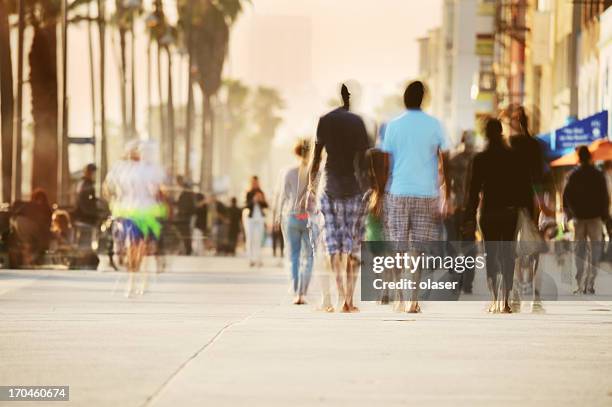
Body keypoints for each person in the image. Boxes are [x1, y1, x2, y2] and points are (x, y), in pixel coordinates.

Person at [381, 81, 452, 313]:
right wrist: (446, 193)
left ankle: (401, 298)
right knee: (417, 250)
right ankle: (413, 299)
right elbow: (446, 160)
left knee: (400, 249)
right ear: (423, 98)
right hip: (426, 193)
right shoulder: (434, 124)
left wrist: (382, 191)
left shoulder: (393, 125)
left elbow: (385, 162)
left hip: (398, 192)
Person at [308, 83, 370, 313]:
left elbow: (316, 158)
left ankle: (340, 297)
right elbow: (364, 162)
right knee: (353, 247)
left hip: (330, 188)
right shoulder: (358, 122)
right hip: (354, 189)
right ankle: (349, 301)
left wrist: (309, 189)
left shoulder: (324, 120)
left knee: (333, 246)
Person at [464, 118, 528, 313]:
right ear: (501, 132)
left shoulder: (481, 159)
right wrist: (527, 213)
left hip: (489, 213)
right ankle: (506, 301)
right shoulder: (514, 157)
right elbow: (524, 187)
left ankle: (494, 300)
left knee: (491, 255)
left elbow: (473, 191)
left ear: (485, 134)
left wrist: (468, 217)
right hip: (510, 213)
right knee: (508, 255)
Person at [103, 140, 167, 297]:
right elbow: (108, 186)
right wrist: (114, 198)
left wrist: (157, 192)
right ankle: (133, 279)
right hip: (129, 212)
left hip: (147, 212)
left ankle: (142, 279)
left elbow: (158, 190)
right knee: (133, 245)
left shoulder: (149, 169)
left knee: (142, 246)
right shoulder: (122, 168)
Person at [563, 146, 609, 294]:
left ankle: (579, 282)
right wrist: (605, 215)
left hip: (579, 218)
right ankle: (590, 283)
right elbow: (605, 196)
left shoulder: (572, 175)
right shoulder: (598, 174)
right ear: (590, 157)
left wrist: (570, 213)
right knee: (595, 251)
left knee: (579, 250)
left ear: (578, 158)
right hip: (595, 218)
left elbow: (566, 196)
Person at [275, 140, 314, 305]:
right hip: (309, 218)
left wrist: (277, 216)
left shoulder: (288, 172)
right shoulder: (315, 172)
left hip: (291, 216)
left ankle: (296, 291)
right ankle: (302, 292)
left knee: (294, 255)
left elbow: (282, 196)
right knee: (309, 255)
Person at [357, 148, 391, 303]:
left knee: (377, 263)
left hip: (373, 236)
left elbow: (361, 213)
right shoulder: (390, 189)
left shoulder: (369, 192)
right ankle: (386, 291)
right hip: (388, 235)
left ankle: (381, 292)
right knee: (388, 262)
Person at [446, 131, 477, 294]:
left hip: (463, 209)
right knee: (460, 246)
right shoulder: (456, 160)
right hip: (460, 209)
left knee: (463, 246)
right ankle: (460, 281)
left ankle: (464, 282)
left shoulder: (457, 159)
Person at [11, 188, 53, 266]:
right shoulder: (31, 207)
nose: (39, 202)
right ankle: (29, 260)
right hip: (30, 233)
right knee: (32, 243)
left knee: (32, 243)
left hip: (30, 233)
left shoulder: (30, 207)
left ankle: (30, 260)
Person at [245, 176, 268, 267]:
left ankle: (259, 258)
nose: (255, 184)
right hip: (250, 218)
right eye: (253, 182)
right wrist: (253, 200)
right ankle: (251, 259)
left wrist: (261, 200)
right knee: (250, 238)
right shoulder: (248, 193)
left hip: (260, 217)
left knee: (259, 238)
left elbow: (266, 206)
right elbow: (246, 206)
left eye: (256, 182)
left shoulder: (261, 192)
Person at [175, 176, 195, 255]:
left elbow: (187, 204)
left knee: (185, 233)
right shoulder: (184, 191)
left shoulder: (186, 191)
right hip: (183, 215)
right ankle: (186, 249)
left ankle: (188, 249)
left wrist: (183, 212)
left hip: (185, 216)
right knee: (184, 233)